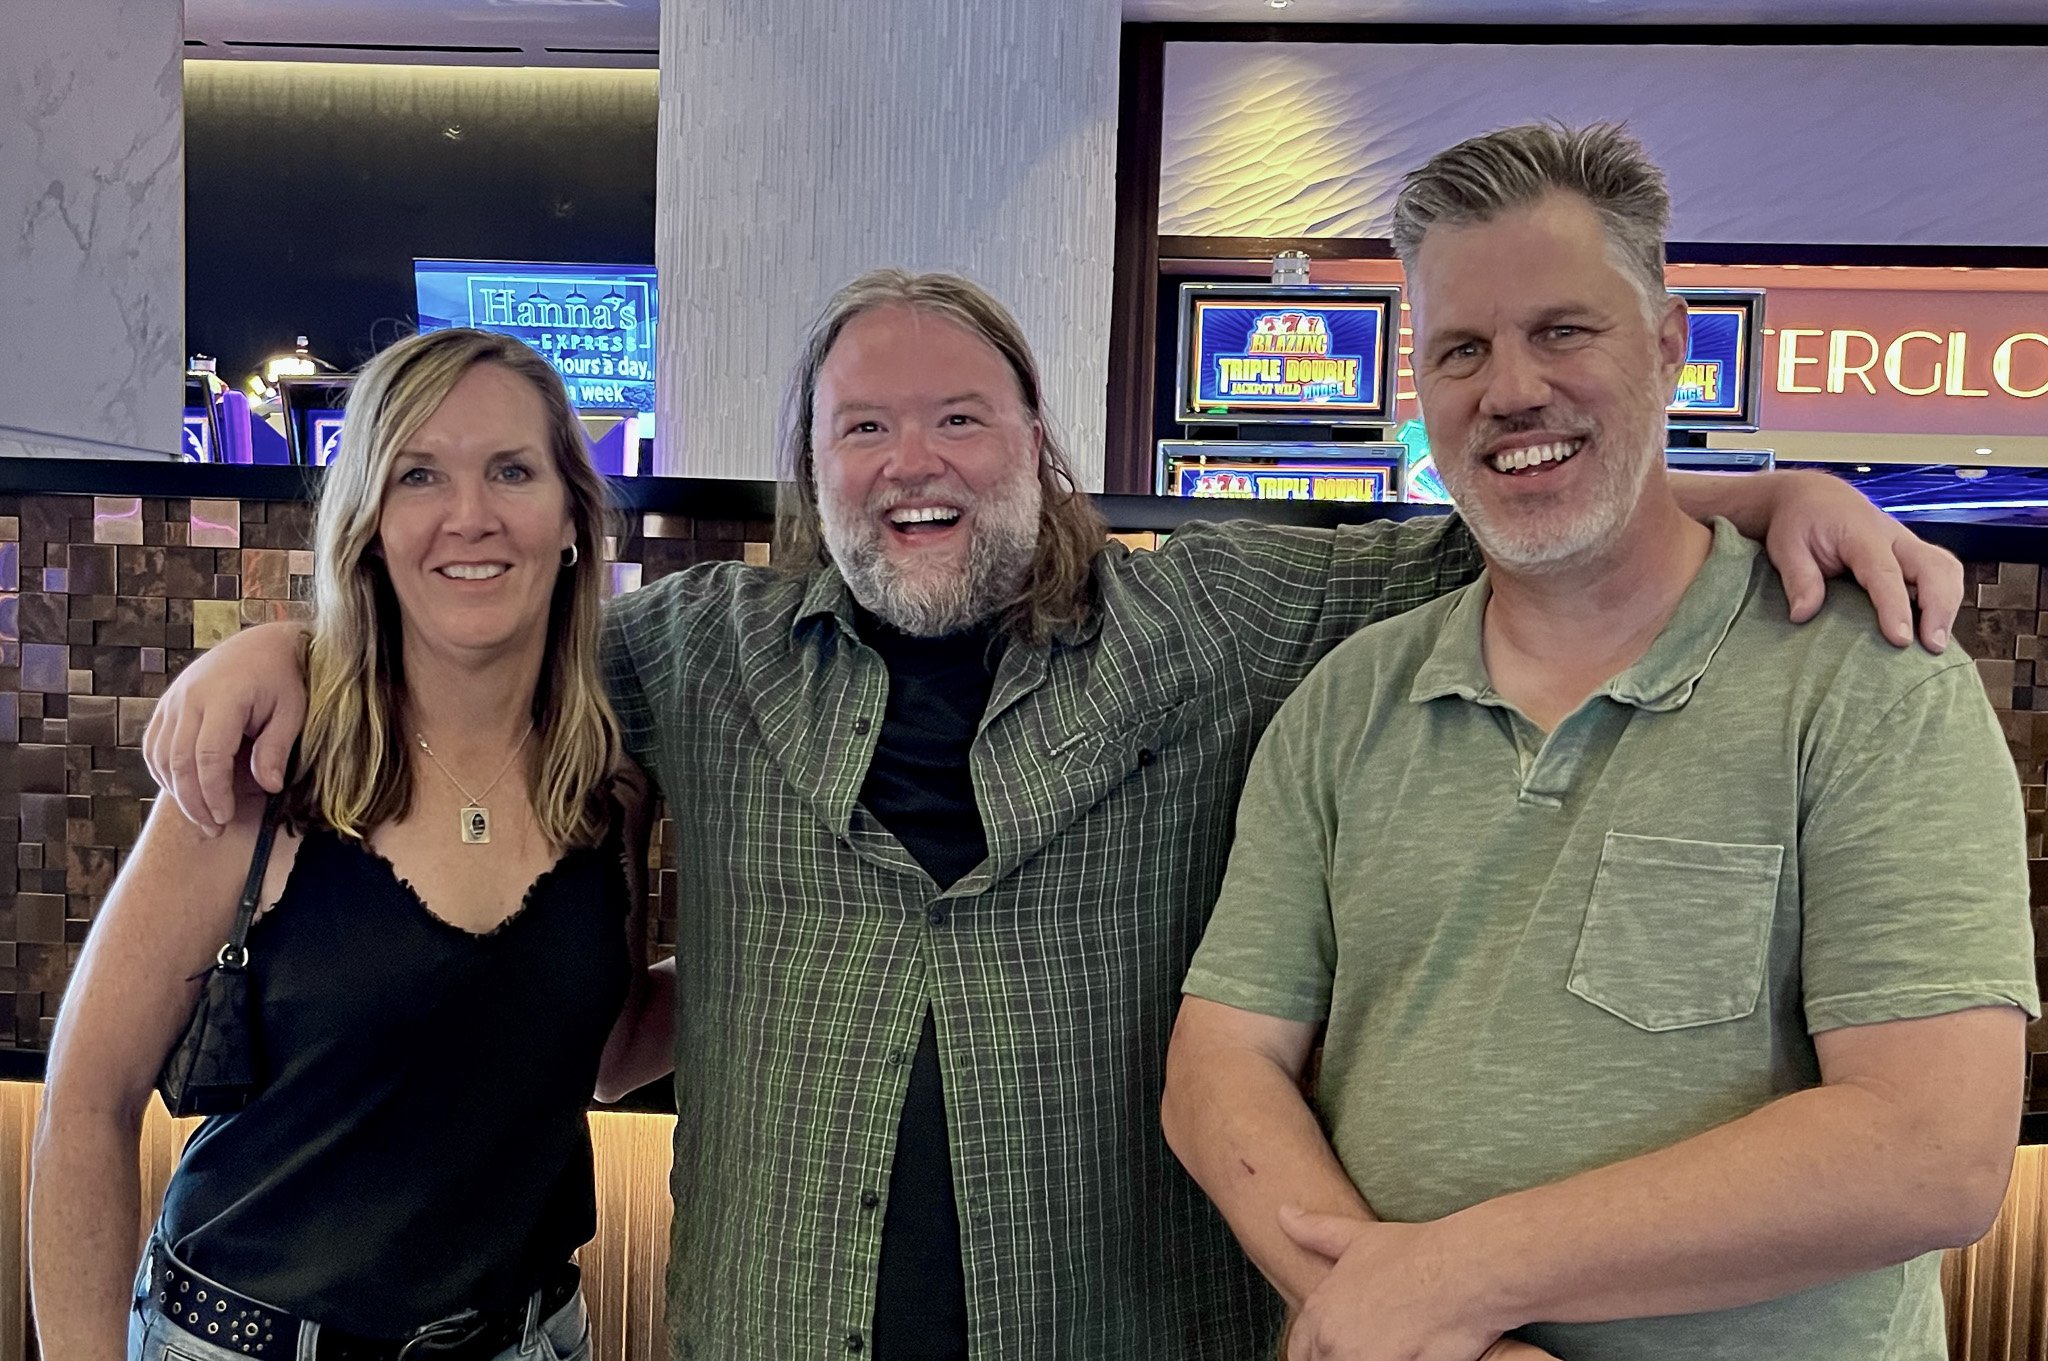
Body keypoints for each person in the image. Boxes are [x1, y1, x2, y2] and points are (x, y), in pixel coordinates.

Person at [142, 268, 1966, 1360]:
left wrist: (1768, 482)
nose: (910, 465)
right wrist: (286, 649)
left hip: (1123, 1326)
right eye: (862, 432)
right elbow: (477, 612)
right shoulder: (697, 655)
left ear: (1041, 445)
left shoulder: (1219, 616)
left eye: (957, 418)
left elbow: (1496, 522)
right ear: (809, 470)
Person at [1162, 122, 2039, 1361]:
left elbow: (1930, 1151)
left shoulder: (1870, 676)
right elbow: (1219, 1065)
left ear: (1668, 346)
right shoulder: (1346, 700)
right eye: (1460, 347)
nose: (1510, 387)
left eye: (1562, 330)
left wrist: (1452, 1281)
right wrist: (1390, 1319)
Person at [31, 328, 665, 1361]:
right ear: (369, 524)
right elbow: (87, 1105)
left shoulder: (606, 783)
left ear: (570, 518)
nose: (471, 513)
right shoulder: (261, 769)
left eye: (511, 468)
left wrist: (812, 966)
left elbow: (594, 1049)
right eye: (420, 473)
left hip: (532, 1339)